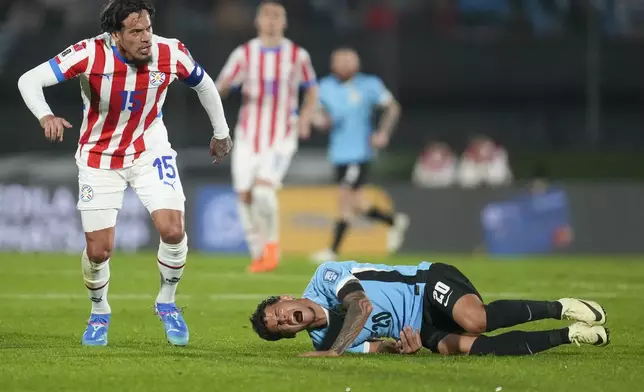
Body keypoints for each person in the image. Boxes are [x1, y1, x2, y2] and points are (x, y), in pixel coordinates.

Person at [17, 0, 233, 347]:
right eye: (135, 31)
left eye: (147, 27)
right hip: (99, 158)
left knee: (173, 229)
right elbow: (29, 80)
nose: (146, 37)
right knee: (99, 250)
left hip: (150, 150)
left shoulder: (170, 51)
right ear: (115, 35)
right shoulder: (89, 54)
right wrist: (45, 115)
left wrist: (221, 133)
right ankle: (99, 311)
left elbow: (205, 85)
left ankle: (167, 302)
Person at [250, 260, 610, 356]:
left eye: (277, 312)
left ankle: (561, 307)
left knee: (475, 320)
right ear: (292, 333)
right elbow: (378, 347)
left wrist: (336, 352)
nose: (282, 319)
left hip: (425, 284)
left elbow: (360, 305)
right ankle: (570, 335)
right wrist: (400, 348)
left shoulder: (324, 276)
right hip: (419, 328)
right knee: (467, 347)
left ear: (285, 297)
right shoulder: (321, 343)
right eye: (280, 327)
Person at [216, 0, 319, 273]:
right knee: (244, 195)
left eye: (277, 16)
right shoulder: (244, 54)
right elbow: (221, 85)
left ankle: (272, 248)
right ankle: (258, 253)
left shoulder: (298, 55)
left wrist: (306, 118)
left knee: (263, 190)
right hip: (248, 134)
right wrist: (221, 89)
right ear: (258, 21)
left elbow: (311, 90)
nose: (272, 21)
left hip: (282, 135)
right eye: (267, 16)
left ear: (284, 22)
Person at [310, 48, 407, 263]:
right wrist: (321, 121)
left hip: (359, 152)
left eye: (349, 61)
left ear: (357, 64)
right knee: (357, 203)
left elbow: (393, 108)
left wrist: (383, 133)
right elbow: (316, 115)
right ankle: (392, 220)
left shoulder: (369, 84)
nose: (344, 65)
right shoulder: (325, 86)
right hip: (338, 153)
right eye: (340, 61)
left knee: (344, 198)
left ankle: (332, 250)